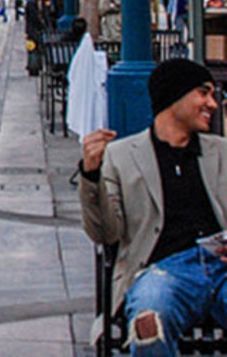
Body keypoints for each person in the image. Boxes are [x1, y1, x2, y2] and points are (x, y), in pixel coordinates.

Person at [80, 59, 227, 355]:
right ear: (175, 97)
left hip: (222, 266)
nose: (212, 103)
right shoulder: (122, 156)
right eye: (203, 93)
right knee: (149, 324)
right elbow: (105, 234)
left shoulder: (222, 152)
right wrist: (91, 176)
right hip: (160, 271)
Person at [25, 0, 52, 76]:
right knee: (34, 49)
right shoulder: (31, 2)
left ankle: (38, 66)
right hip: (34, 30)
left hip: (41, 29)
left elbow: (47, 14)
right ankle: (34, 67)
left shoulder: (44, 0)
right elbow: (33, 18)